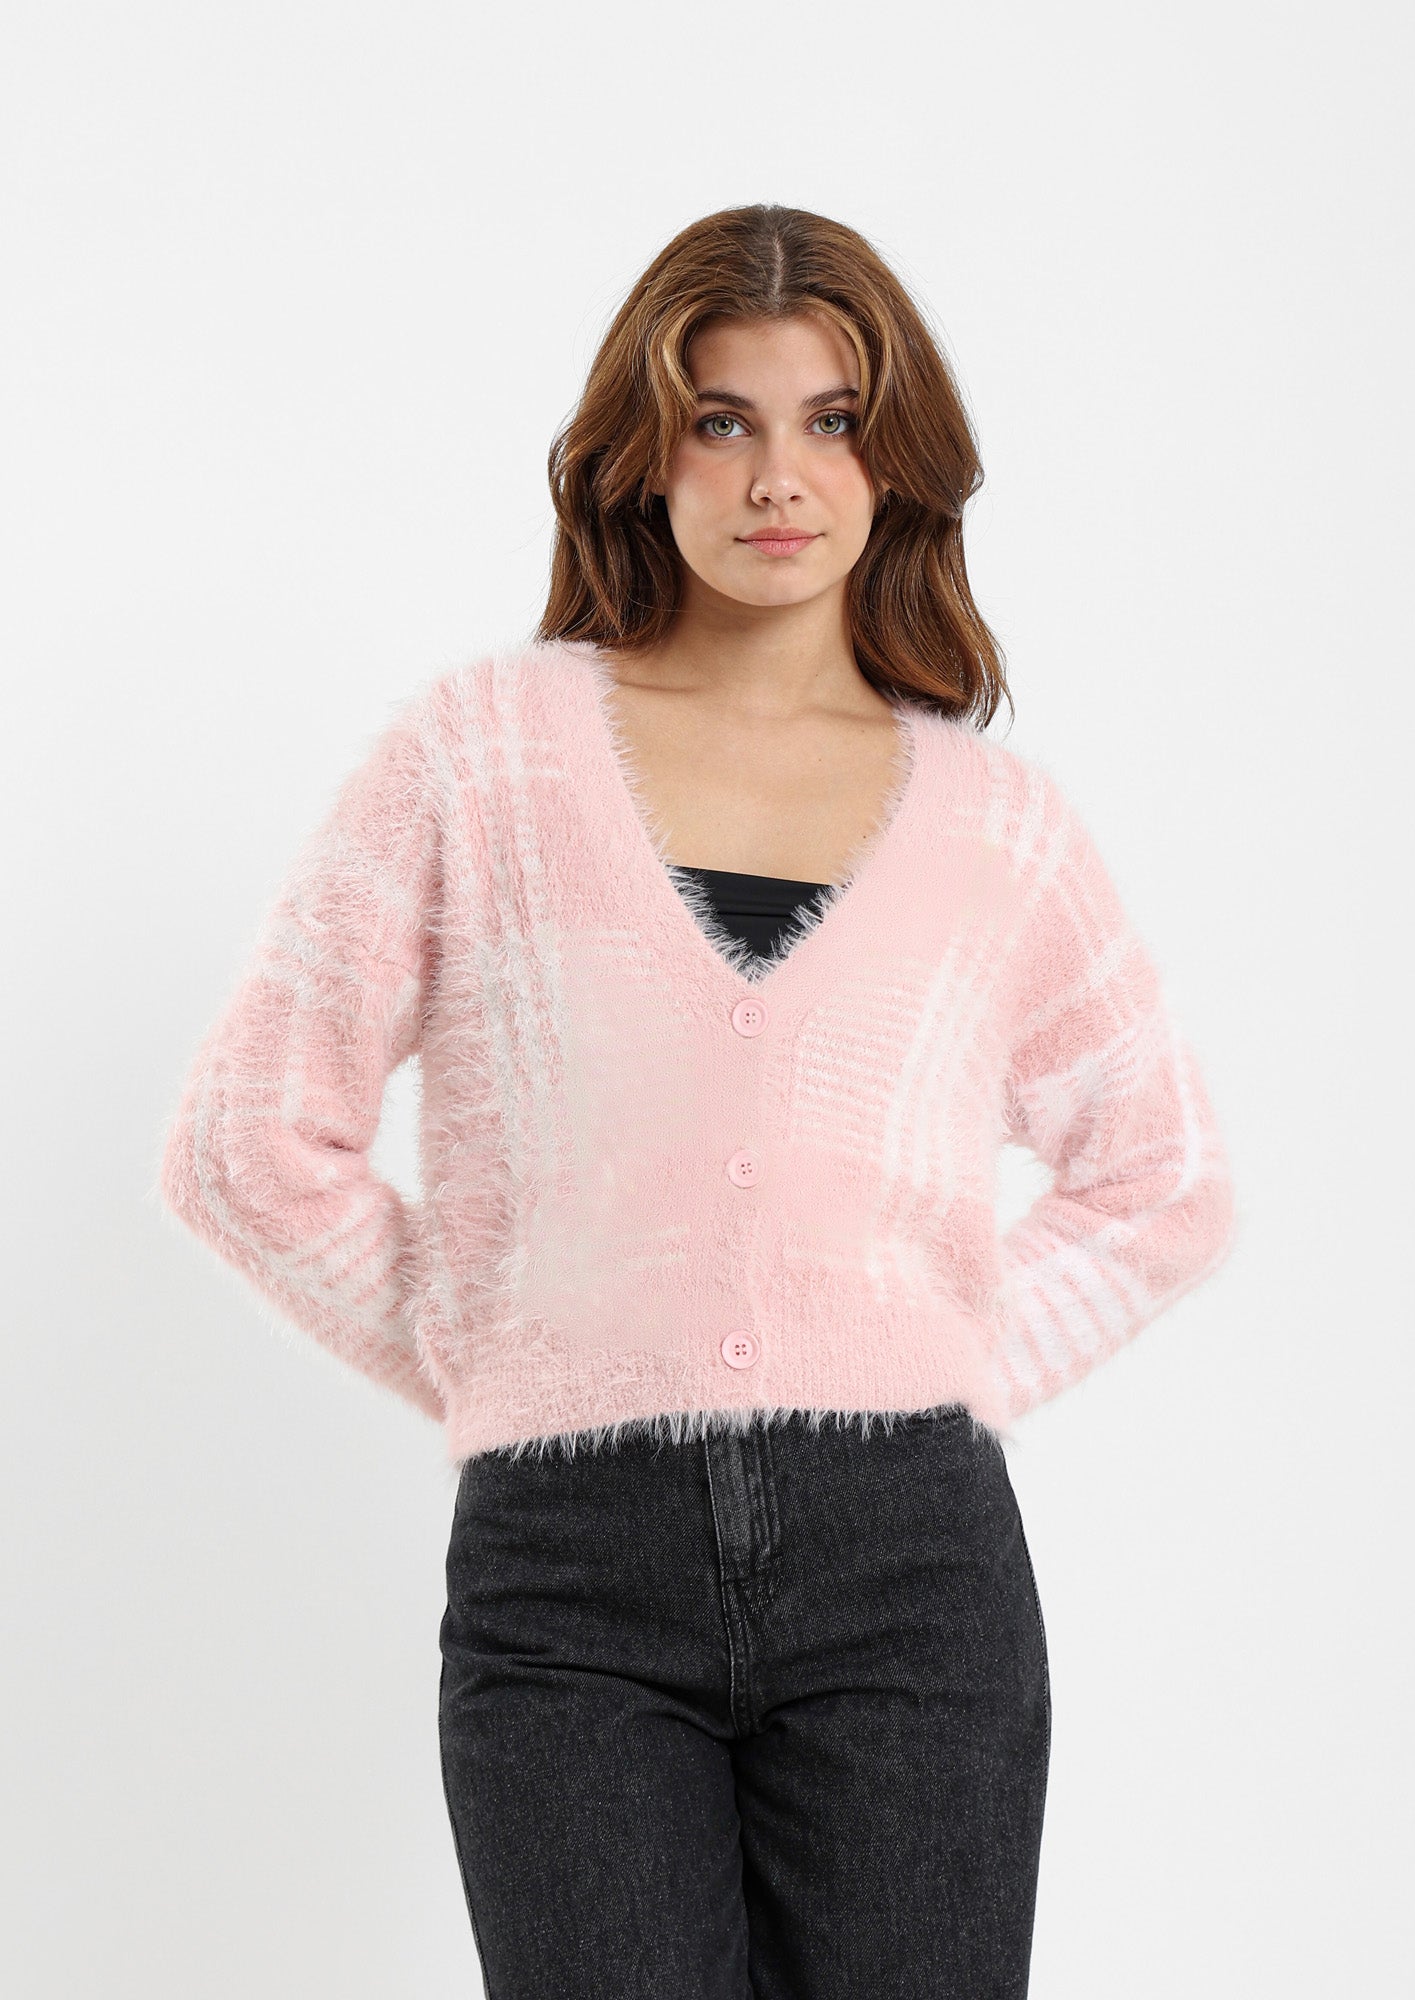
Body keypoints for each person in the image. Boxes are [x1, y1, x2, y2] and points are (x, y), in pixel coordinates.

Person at [158, 203, 1237, 1999]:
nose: (777, 477)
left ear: (897, 463)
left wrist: (932, 1349)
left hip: (913, 1575)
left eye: (832, 421)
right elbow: (244, 1144)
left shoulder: (1000, 829)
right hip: (569, 1585)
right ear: (642, 457)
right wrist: (514, 1352)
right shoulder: (476, 760)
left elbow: (1165, 1177)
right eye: (722, 420)